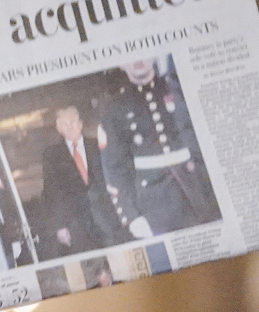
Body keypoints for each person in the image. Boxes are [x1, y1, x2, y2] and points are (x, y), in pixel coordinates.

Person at [97, 58, 220, 238]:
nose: (137, 59)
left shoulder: (179, 89)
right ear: (122, 64)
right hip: (155, 205)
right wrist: (132, 216)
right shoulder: (114, 109)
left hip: (199, 192)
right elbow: (115, 170)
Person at [37, 106, 114, 256]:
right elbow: (51, 192)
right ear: (59, 128)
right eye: (64, 123)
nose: (70, 126)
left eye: (73, 121)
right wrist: (59, 226)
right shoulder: (52, 156)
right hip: (76, 224)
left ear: (80, 123)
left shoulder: (97, 145)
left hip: (108, 216)